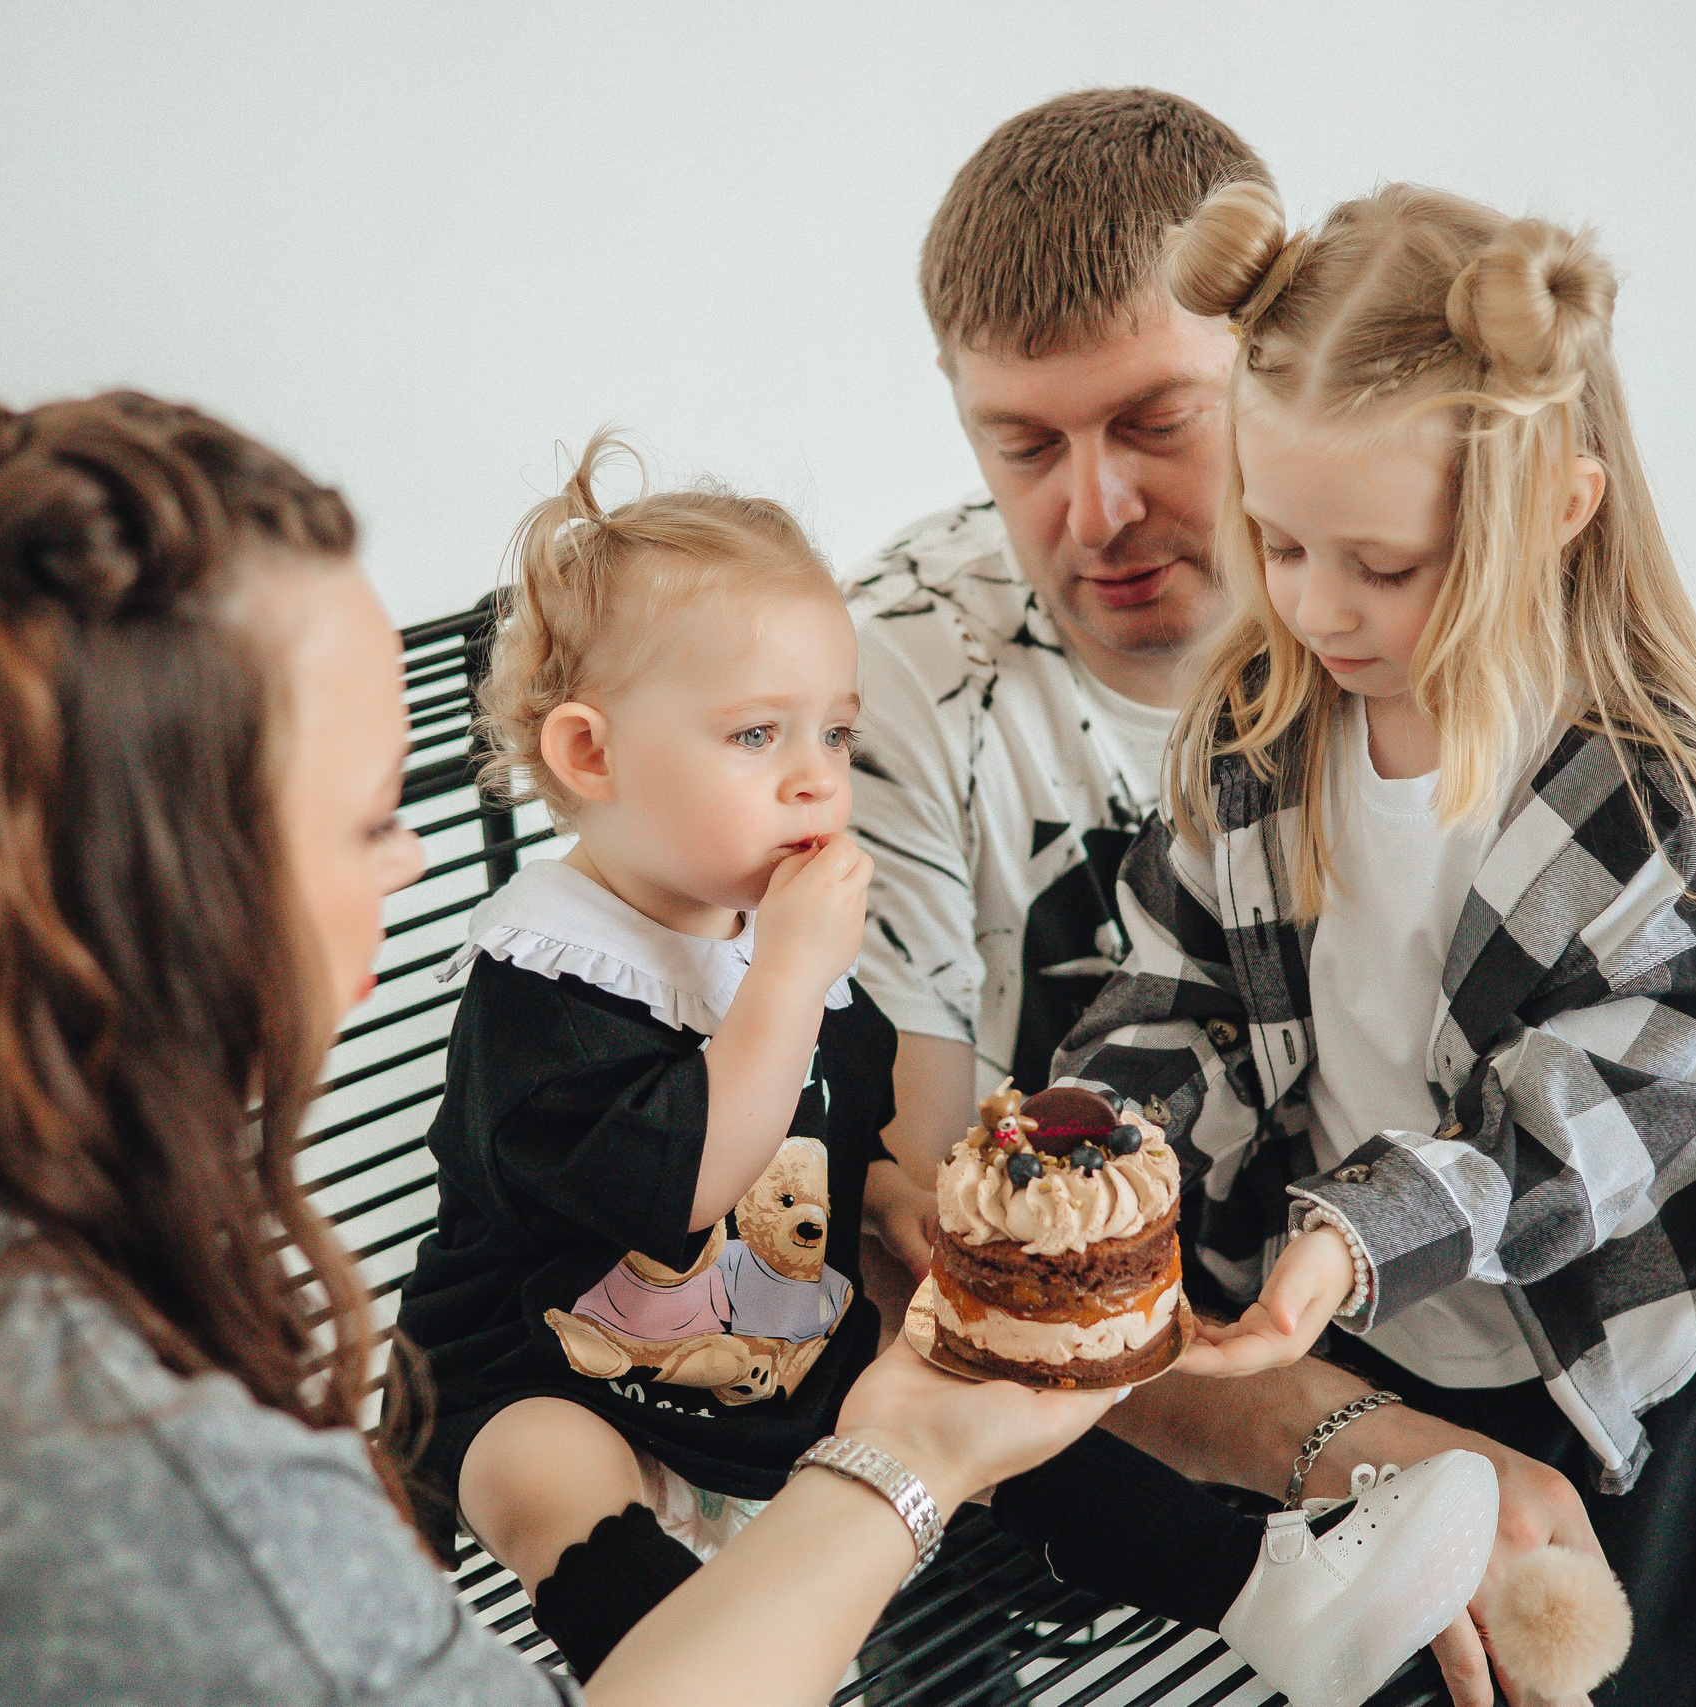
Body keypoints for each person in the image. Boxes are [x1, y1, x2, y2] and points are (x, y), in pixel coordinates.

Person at [0, 369, 1128, 1707]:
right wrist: (917, 1448)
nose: (409, 864)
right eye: (375, 815)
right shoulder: (134, 1491)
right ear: (158, 894)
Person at [846, 89, 1696, 1703]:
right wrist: (1121, 1168)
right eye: (1023, 443)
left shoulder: (1627, 762)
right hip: (1304, 1319)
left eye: (1154, 423)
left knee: (1659, 1581)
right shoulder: (1089, 702)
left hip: (1549, 1265)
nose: (1102, 510)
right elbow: (1051, 1133)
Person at [389, 432, 1499, 1707]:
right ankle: (688, 1653)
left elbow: (826, 1116)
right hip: (536, 1363)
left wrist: (875, 1198)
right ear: (591, 758)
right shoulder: (548, 980)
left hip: (773, 1372)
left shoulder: (764, 928)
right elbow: (680, 1181)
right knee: (540, 1472)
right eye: (755, 735)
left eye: (835, 733)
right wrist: (789, 980)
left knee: (984, 1403)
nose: (816, 777)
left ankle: (1271, 1590)